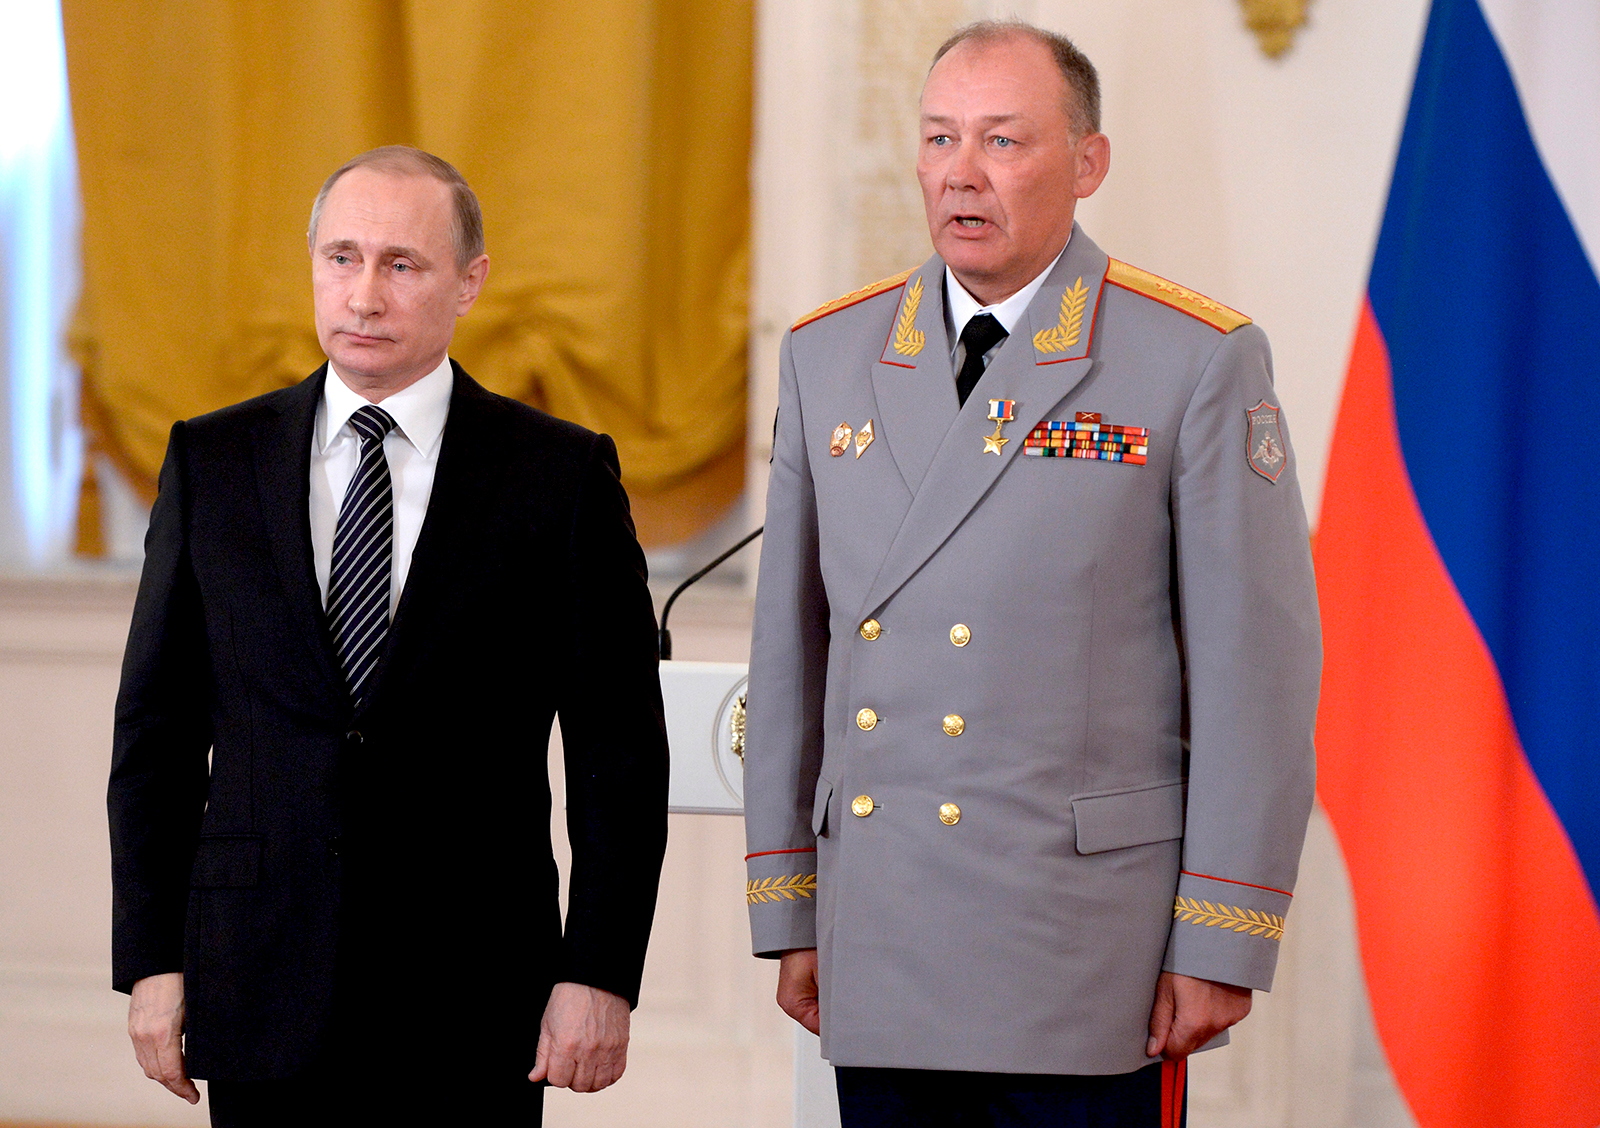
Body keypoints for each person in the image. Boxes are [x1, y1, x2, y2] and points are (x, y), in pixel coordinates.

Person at [742, 20, 1320, 1127]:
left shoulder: (1192, 359)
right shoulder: (828, 357)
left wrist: (1222, 933)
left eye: (1003, 141)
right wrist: (792, 910)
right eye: (940, 139)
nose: (961, 173)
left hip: (1086, 949)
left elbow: (1258, 675)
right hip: (885, 933)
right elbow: (789, 655)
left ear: (1087, 163)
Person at [108, 146, 669, 1125]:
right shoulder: (212, 461)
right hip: (257, 980)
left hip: (474, 997)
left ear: (469, 282)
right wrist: (150, 958)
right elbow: (154, 738)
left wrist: (600, 972)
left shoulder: (560, 478)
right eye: (341, 258)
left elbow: (619, 754)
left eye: (401, 265)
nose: (363, 294)